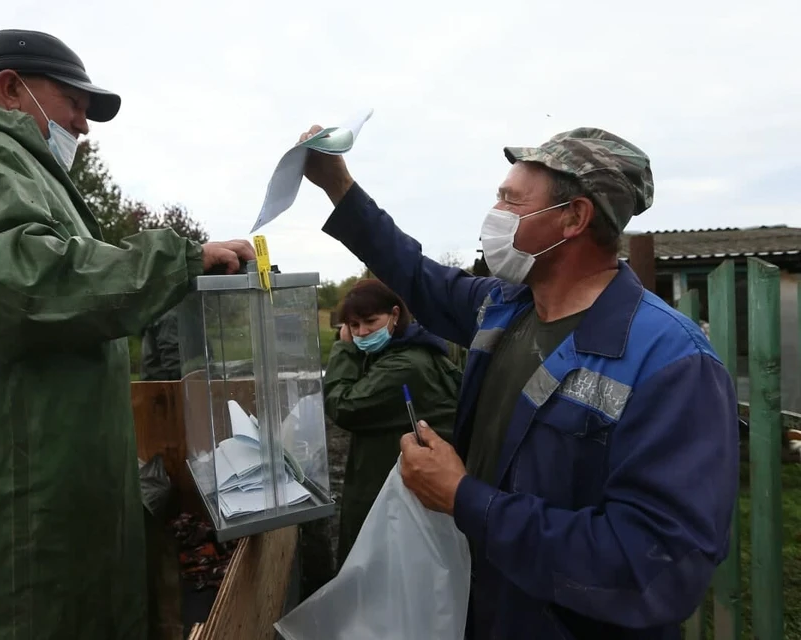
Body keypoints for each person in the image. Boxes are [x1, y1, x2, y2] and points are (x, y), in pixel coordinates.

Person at [0, 29, 254, 639]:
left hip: (29, 494)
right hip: (3, 510)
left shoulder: (8, 166)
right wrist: (177, 260)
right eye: (74, 105)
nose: (83, 126)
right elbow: (16, 283)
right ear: (12, 88)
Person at [299, 125, 739, 639]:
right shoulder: (504, 308)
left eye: (510, 202)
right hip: (487, 608)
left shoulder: (671, 361)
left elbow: (654, 566)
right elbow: (414, 272)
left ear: (574, 218)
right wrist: (337, 184)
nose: (495, 216)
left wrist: (464, 497)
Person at [324, 278, 462, 567]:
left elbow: (345, 406)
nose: (361, 333)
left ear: (395, 315)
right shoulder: (399, 349)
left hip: (402, 497)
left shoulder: (406, 365)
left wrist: (344, 350)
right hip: (396, 487)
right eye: (353, 325)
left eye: (370, 322)